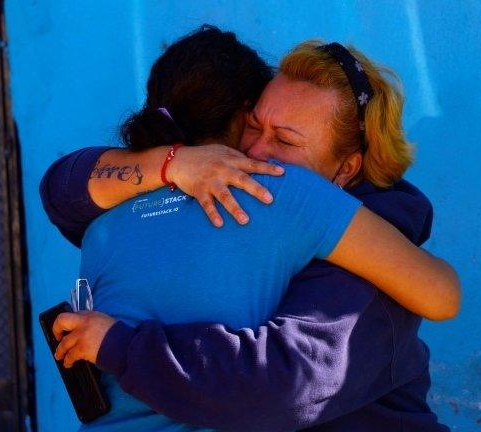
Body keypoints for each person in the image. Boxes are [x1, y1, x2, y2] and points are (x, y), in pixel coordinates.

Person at [41, 26, 456, 431]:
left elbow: (282, 385)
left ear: (346, 169)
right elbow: (61, 188)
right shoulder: (243, 193)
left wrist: (121, 347)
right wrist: (172, 165)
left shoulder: (305, 206)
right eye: (254, 126)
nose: (256, 151)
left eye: (286, 141)